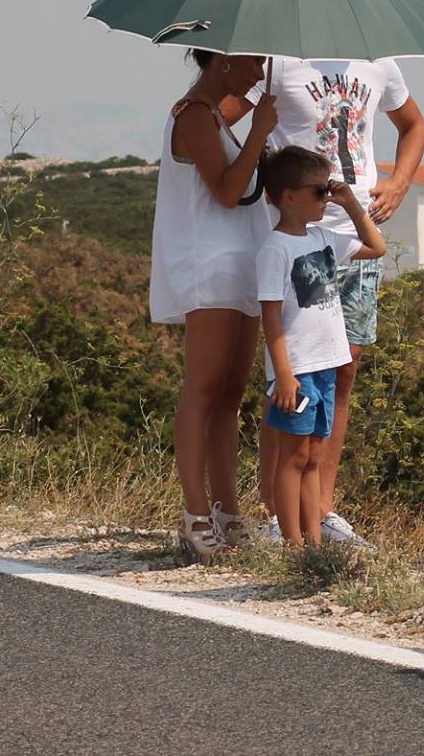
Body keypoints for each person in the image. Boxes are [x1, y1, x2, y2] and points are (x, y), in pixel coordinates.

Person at [241, 57, 424, 550]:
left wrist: (400, 180)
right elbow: (228, 102)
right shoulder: (278, 61)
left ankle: (320, 508)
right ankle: (278, 512)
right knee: (291, 375)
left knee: (340, 369)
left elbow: (413, 125)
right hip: (295, 238)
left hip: (351, 238)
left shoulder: (379, 62)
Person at [149, 49, 276, 564]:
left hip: (240, 265)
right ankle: (196, 515)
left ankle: (228, 513)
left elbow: (239, 115)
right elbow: (225, 191)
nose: (260, 71)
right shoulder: (195, 115)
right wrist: (261, 133)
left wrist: (259, 114)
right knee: (202, 392)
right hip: (209, 267)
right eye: (253, 61)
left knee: (229, 396)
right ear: (223, 60)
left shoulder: (217, 116)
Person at [255, 146, 387, 546]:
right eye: (318, 191)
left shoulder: (325, 237)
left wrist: (349, 204)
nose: (324, 198)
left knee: (313, 456)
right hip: (297, 369)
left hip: (327, 364)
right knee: (292, 457)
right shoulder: (275, 249)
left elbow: (376, 246)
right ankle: (293, 543)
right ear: (288, 196)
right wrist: (283, 375)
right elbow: (271, 317)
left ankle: (313, 541)